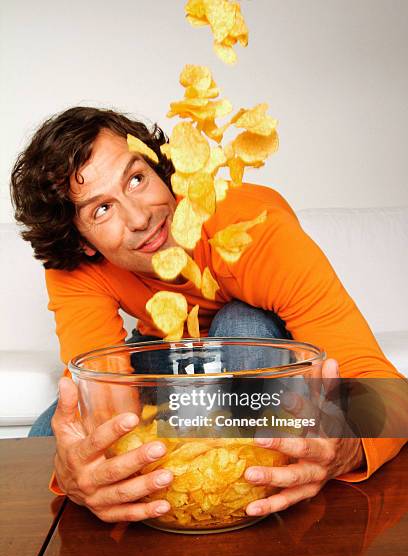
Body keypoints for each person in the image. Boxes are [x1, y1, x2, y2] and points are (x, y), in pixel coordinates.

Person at [10, 106, 406, 524]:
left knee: (242, 326)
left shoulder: (255, 229)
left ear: (163, 171)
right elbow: (105, 413)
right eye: (101, 210)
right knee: (46, 440)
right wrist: (87, 472)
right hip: (161, 354)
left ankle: (248, 494)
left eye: (137, 179)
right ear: (82, 241)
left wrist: (345, 445)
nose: (140, 217)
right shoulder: (75, 267)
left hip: (261, 360)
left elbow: (389, 391)